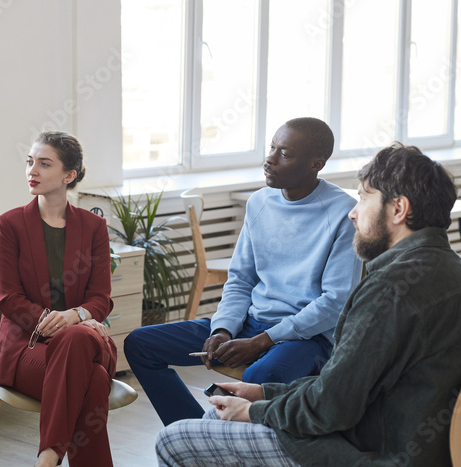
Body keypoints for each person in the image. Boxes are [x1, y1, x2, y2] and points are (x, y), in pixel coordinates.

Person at [156, 143, 461, 467]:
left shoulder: (389, 292)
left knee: (173, 440)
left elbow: (332, 407)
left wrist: (254, 410)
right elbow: (346, 385)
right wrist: (264, 394)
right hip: (405, 440)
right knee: (216, 421)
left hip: (368, 450)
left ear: (398, 209)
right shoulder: (448, 271)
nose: (353, 212)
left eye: (364, 197)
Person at [124, 117, 362, 426]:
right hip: (250, 324)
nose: (270, 160)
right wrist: (222, 329)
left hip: (308, 339)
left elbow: (335, 302)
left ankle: (224, 442)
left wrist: (265, 341)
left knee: (260, 377)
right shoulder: (259, 202)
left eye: (285, 154)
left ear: (316, 163)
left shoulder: (344, 213)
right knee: (141, 344)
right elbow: (241, 279)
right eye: (272, 148)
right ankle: (196, 435)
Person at [0, 131, 117, 467]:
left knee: (76, 337)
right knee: (95, 380)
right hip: (27, 347)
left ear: (68, 175)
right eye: (30, 162)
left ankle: (48, 456)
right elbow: (9, 299)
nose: (32, 170)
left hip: (82, 338)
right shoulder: (10, 225)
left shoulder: (94, 227)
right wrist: (59, 325)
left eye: (44, 164)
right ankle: (50, 456)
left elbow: (101, 297)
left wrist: (74, 316)